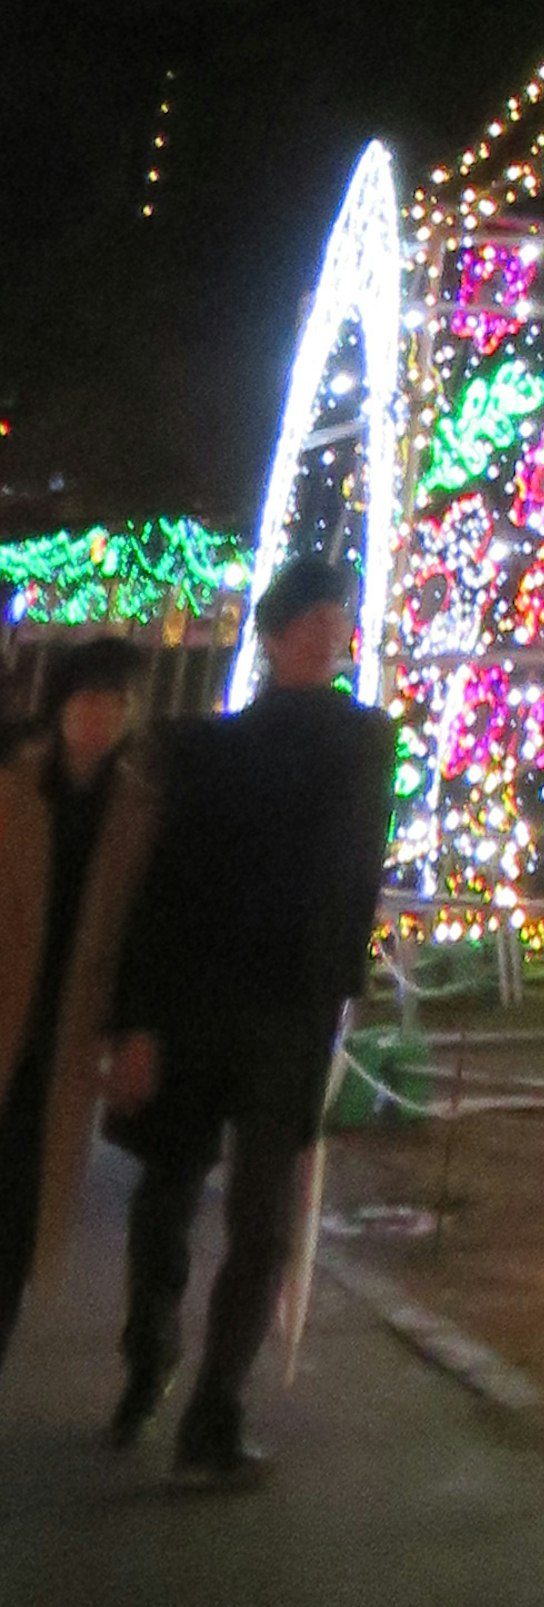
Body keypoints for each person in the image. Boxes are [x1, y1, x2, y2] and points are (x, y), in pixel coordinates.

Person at [102, 556, 397, 1484]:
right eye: (307, 619)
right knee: (171, 1191)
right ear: (270, 638)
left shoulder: (363, 741)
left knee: (262, 1220)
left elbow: (356, 880)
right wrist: (138, 1019)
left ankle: (212, 1411)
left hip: (291, 1012)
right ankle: (151, 1355)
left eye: (336, 617)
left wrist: (340, 988)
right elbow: (159, 891)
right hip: (200, 1004)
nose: (326, 631)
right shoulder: (209, 752)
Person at [0, 634, 156, 1376]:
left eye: (113, 702)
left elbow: (142, 932)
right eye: (86, 699)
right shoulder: (12, 794)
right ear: (59, 708)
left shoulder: (137, 814)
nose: (97, 715)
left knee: (16, 1224)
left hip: (62, 1039)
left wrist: (130, 1034)